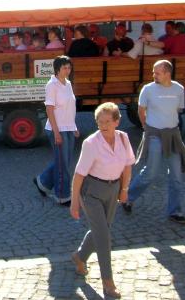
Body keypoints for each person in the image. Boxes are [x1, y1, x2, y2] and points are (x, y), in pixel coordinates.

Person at [70, 102, 134, 299]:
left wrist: (124, 190)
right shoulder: (91, 143)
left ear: (116, 121)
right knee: (104, 236)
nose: (104, 125)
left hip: (113, 189)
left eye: (107, 121)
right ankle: (108, 282)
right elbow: (79, 175)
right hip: (91, 192)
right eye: (100, 121)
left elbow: (127, 166)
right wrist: (74, 202)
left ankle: (79, 257)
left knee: (102, 229)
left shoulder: (123, 138)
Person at [122, 59, 185, 224]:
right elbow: (141, 110)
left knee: (176, 175)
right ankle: (127, 197)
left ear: (167, 73)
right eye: (153, 72)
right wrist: (147, 127)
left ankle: (175, 211)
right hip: (154, 134)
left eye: (157, 72)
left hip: (173, 135)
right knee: (150, 173)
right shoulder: (148, 89)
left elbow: (178, 109)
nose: (154, 75)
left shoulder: (179, 89)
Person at [34, 56, 79, 205]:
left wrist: (74, 127)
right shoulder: (51, 85)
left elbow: (70, 107)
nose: (68, 70)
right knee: (63, 165)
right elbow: (49, 109)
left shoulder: (68, 83)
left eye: (69, 67)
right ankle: (62, 196)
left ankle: (43, 182)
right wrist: (56, 132)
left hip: (69, 128)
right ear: (57, 69)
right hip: (56, 129)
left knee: (63, 161)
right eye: (65, 68)